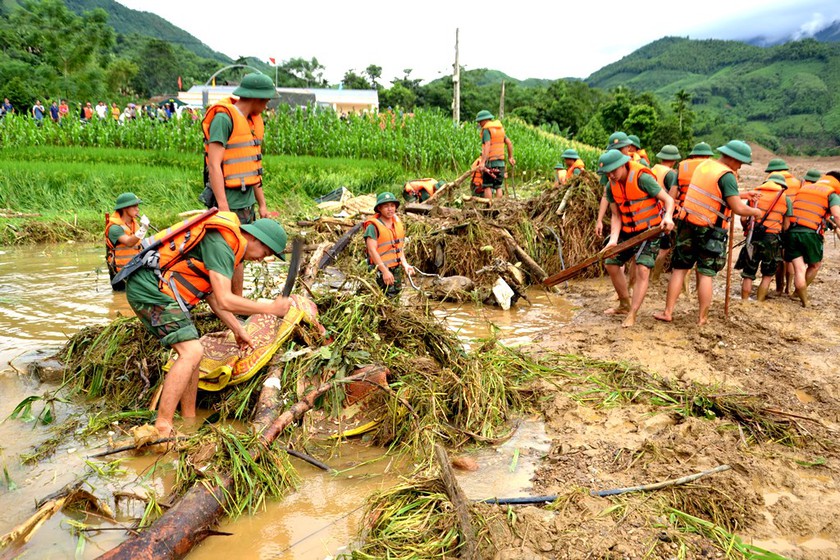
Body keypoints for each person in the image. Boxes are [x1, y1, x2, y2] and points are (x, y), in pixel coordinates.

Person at [125, 212, 292, 438]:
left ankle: (188, 420)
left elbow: (212, 296)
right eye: (265, 252)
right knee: (192, 351)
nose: (262, 259)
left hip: (157, 290)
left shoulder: (226, 244)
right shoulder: (222, 244)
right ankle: (162, 426)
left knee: (195, 355)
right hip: (148, 289)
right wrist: (270, 308)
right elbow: (225, 299)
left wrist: (238, 328)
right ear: (255, 239)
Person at [654, 140, 763, 325]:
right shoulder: (727, 175)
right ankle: (702, 318)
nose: (740, 166)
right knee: (705, 273)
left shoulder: (705, 165)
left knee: (679, 270)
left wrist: (745, 195)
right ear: (732, 158)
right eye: (740, 162)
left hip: (687, 224)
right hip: (710, 230)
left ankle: (667, 312)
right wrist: (755, 212)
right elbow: (736, 207)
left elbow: (712, 193)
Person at [201, 72, 279, 297]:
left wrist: (262, 204)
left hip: (246, 200)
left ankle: (237, 300)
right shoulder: (223, 119)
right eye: (266, 101)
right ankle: (225, 301)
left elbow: (253, 167)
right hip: (228, 199)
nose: (266, 106)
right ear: (257, 98)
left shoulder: (251, 122)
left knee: (241, 252)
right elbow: (214, 165)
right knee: (226, 252)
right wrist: (224, 209)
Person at [597, 150, 675, 327]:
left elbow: (668, 200)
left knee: (642, 269)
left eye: (613, 170)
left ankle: (632, 313)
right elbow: (616, 216)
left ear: (623, 165)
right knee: (611, 262)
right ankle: (624, 304)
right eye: (607, 173)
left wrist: (668, 217)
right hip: (627, 231)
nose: (611, 175)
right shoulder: (611, 186)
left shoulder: (643, 179)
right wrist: (613, 240)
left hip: (650, 230)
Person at [785, 172, 840, 307]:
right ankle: (797, 294)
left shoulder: (805, 188)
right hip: (810, 234)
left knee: (799, 269)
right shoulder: (831, 194)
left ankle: (797, 295)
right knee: (815, 265)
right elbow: (837, 215)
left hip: (792, 231)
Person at [735, 173, 791, 302]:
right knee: (767, 274)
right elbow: (786, 225)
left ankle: (744, 302)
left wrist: (746, 229)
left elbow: (743, 218)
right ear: (781, 185)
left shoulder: (755, 194)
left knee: (748, 273)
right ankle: (759, 302)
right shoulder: (785, 198)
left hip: (753, 235)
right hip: (771, 238)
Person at [364, 192, 414, 297]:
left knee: (395, 296)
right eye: (386, 206)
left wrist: (405, 264)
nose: (390, 209)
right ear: (379, 209)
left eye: (392, 205)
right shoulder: (372, 227)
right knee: (383, 297)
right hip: (380, 270)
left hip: (395, 268)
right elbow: (372, 251)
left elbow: (399, 248)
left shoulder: (396, 224)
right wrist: (384, 271)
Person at [765, 159, 802, 295]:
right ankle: (789, 288)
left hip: (777, 224)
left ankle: (779, 288)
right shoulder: (798, 182)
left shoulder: (772, 181)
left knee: (779, 258)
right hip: (794, 224)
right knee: (790, 258)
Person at [105, 192, 150, 290]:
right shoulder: (114, 228)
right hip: (122, 275)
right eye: (134, 206)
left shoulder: (135, 224)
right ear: (125, 208)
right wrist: (143, 229)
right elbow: (129, 242)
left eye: (137, 206)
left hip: (136, 270)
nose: (137, 209)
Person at [650, 145, 681, 279]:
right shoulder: (670, 174)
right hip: (663, 214)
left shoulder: (653, 169)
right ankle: (654, 276)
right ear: (674, 160)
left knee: (652, 246)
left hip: (650, 212)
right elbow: (674, 195)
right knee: (665, 248)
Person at [596, 132, 634, 237]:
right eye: (614, 150)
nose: (617, 152)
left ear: (629, 147)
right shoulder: (609, 170)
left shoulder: (639, 167)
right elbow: (605, 195)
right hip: (619, 214)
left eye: (620, 149)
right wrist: (600, 219)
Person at [475, 110, 515, 199]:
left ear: (485, 120)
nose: (480, 124)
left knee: (487, 186)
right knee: (498, 186)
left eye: (480, 121)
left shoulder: (486, 130)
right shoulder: (499, 129)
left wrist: (482, 162)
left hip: (490, 163)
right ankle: (498, 207)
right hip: (501, 163)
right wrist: (510, 157)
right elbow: (509, 143)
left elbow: (487, 144)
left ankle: (489, 208)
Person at [671, 142, 713, 213]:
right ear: (709, 156)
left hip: (684, 212)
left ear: (693, 155)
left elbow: (672, 194)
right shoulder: (715, 167)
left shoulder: (683, 167)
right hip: (707, 213)